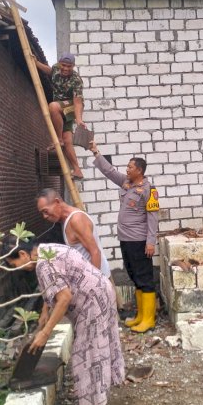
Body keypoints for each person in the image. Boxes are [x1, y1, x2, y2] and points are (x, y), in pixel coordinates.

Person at [4, 240, 124, 405]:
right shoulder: (47, 251)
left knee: (86, 356)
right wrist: (45, 311)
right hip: (100, 293)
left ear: (22, 254)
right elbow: (56, 283)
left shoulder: (44, 264)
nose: (18, 269)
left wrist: (45, 332)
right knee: (95, 351)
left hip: (92, 303)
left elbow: (64, 297)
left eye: (15, 265)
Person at [89, 140, 159, 333]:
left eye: (130, 167)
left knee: (144, 278)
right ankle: (140, 316)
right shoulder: (126, 183)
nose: (127, 170)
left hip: (140, 241)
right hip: (126, 240)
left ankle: (149, 320)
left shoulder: (148, 190)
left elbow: (153, 218)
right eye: (127, 167)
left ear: (140, 170)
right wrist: (96, 152)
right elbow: (109, 171)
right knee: (134, 276)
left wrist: (150, 242)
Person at [35, 188, 110, 277]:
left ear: (57, 202)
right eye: (42, 213)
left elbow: (95, 252)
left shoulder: (76, 220)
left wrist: (93, 282)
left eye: (45, 211)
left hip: (96, 279)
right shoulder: (63, 221)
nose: (45, 216)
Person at [35, 53, 86, 180]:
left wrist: (79, 119)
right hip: (61, 108)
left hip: (71, 106)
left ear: (73, 66)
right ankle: (77, 169)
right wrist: (37, 64)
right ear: (59, 64)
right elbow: (50, 71)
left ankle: (58, 140)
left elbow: (78, 102)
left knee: (53, 106)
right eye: (63, 65)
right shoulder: (56, 69)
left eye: (69, 66)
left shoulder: (76, 80)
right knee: (68, 140)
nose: (66, 69)